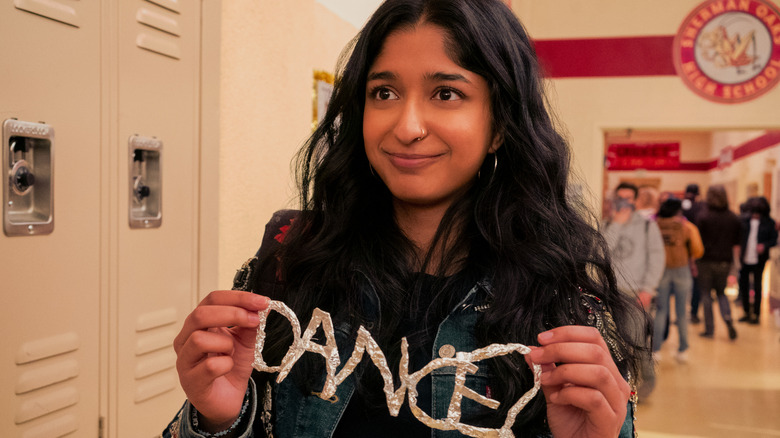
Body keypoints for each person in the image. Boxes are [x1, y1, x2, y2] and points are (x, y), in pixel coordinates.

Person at [164, 1, 647, 437]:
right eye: (384, 93)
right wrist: (219, 419)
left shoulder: (558, 300)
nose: (407, 126)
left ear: (499, 125)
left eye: (446, 94)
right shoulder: (292, 265)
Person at [601, 182, 665, 399]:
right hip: (609, 293)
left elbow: (657, 259)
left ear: (636, 201)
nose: (625, 202)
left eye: (629, 198)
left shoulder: (648, 226)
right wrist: (617, 225)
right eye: (620, 197)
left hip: (636, 292)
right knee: (611, 341)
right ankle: (619, 386)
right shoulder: (607, 225)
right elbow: (601, 255)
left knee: (637, 342)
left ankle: (647, 384)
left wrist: (648, 289)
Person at [652, 198, 704, 363]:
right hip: (682, 270)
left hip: (660, 271)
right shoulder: (687, 227)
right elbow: (698, 250)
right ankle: (682, 350)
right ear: (679, 211)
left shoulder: (654, 226)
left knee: (661, 311)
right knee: (682, 312)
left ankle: (656, 350)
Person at [695, 184, 741, 340]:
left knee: (706, 294)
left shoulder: (702, 217)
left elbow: (697, 242)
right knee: (722, 293)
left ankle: (709, 329)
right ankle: (728, 319)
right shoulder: (733, 218)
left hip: (705, 261)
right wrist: (735, 267)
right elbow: (737, 243)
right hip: (724, 261)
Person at [737, 196, 778, 324]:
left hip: (759, 259)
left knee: (757, 285)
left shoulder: (769, 223)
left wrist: (764, 246)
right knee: (743, 285)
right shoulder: (744, 221)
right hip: (744, 257)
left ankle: (756, 314)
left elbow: (773, 240)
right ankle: (746, 311)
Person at [681, 183, 706, 324]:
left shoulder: (680, 207)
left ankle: (681, 314)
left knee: (681, 285)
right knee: (696, 284)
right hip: (696, 250)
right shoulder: (702, 208)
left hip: (682, 250)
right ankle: (694, 313)